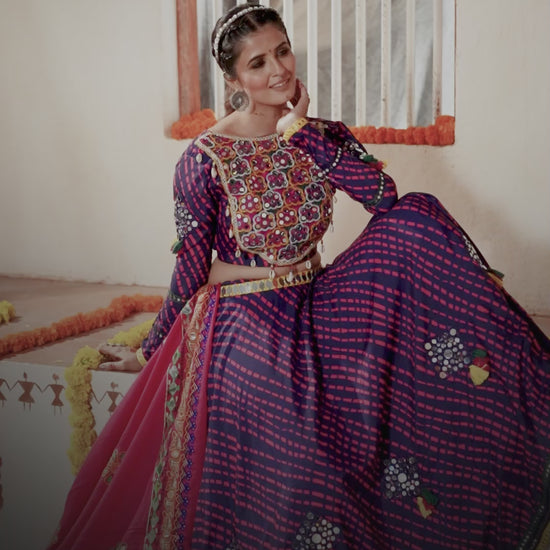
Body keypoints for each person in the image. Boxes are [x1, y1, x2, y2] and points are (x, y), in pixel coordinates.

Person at [48, 4, 550, 549]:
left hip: (316, 294)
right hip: (245, 311)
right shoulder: (206, 158)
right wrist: (151, 350)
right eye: (258, 63)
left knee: (417, 215)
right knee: (306, 426)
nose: (278, 70)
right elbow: (191, 269)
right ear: (234, 81)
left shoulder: (322, 135)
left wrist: (299, 132)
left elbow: (384, 199)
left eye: (282, 51)